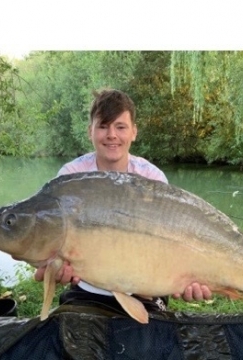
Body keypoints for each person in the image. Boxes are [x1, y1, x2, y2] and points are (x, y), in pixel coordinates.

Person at [34, 88, 212, 313]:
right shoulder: (70, 177)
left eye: (120, 127)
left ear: (134, 132)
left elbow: (169, 243)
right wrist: (52, 269)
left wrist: (189, 275)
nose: (112, 135)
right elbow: (51, 250)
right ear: (90, 131)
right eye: (103, 126)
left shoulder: (152, 177)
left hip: (144, 289)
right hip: (89, 289)